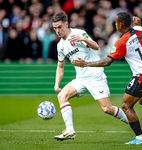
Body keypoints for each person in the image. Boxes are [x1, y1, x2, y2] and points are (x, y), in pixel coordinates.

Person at [72, 12, 142, 145]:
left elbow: (107, 62)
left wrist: (86, 64)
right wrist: (140, 27)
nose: (115, 25)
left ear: (121, 25)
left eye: (116, 23)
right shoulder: (139, 30)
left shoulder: (122, 42)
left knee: (126, 106)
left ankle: (140, 138)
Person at [52, 11, 129, 141]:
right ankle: (70, 130)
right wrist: (56, 85)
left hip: (95, 76)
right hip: (81, 79)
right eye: (55, 28)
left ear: (66, 24)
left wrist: (85, 39)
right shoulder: (60, 45)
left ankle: (132, 121)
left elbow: (96, 47)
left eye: (59, 27)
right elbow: (60, 66)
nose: (57, 31)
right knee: (62, 95)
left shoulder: (78, 33)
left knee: (107, 108)